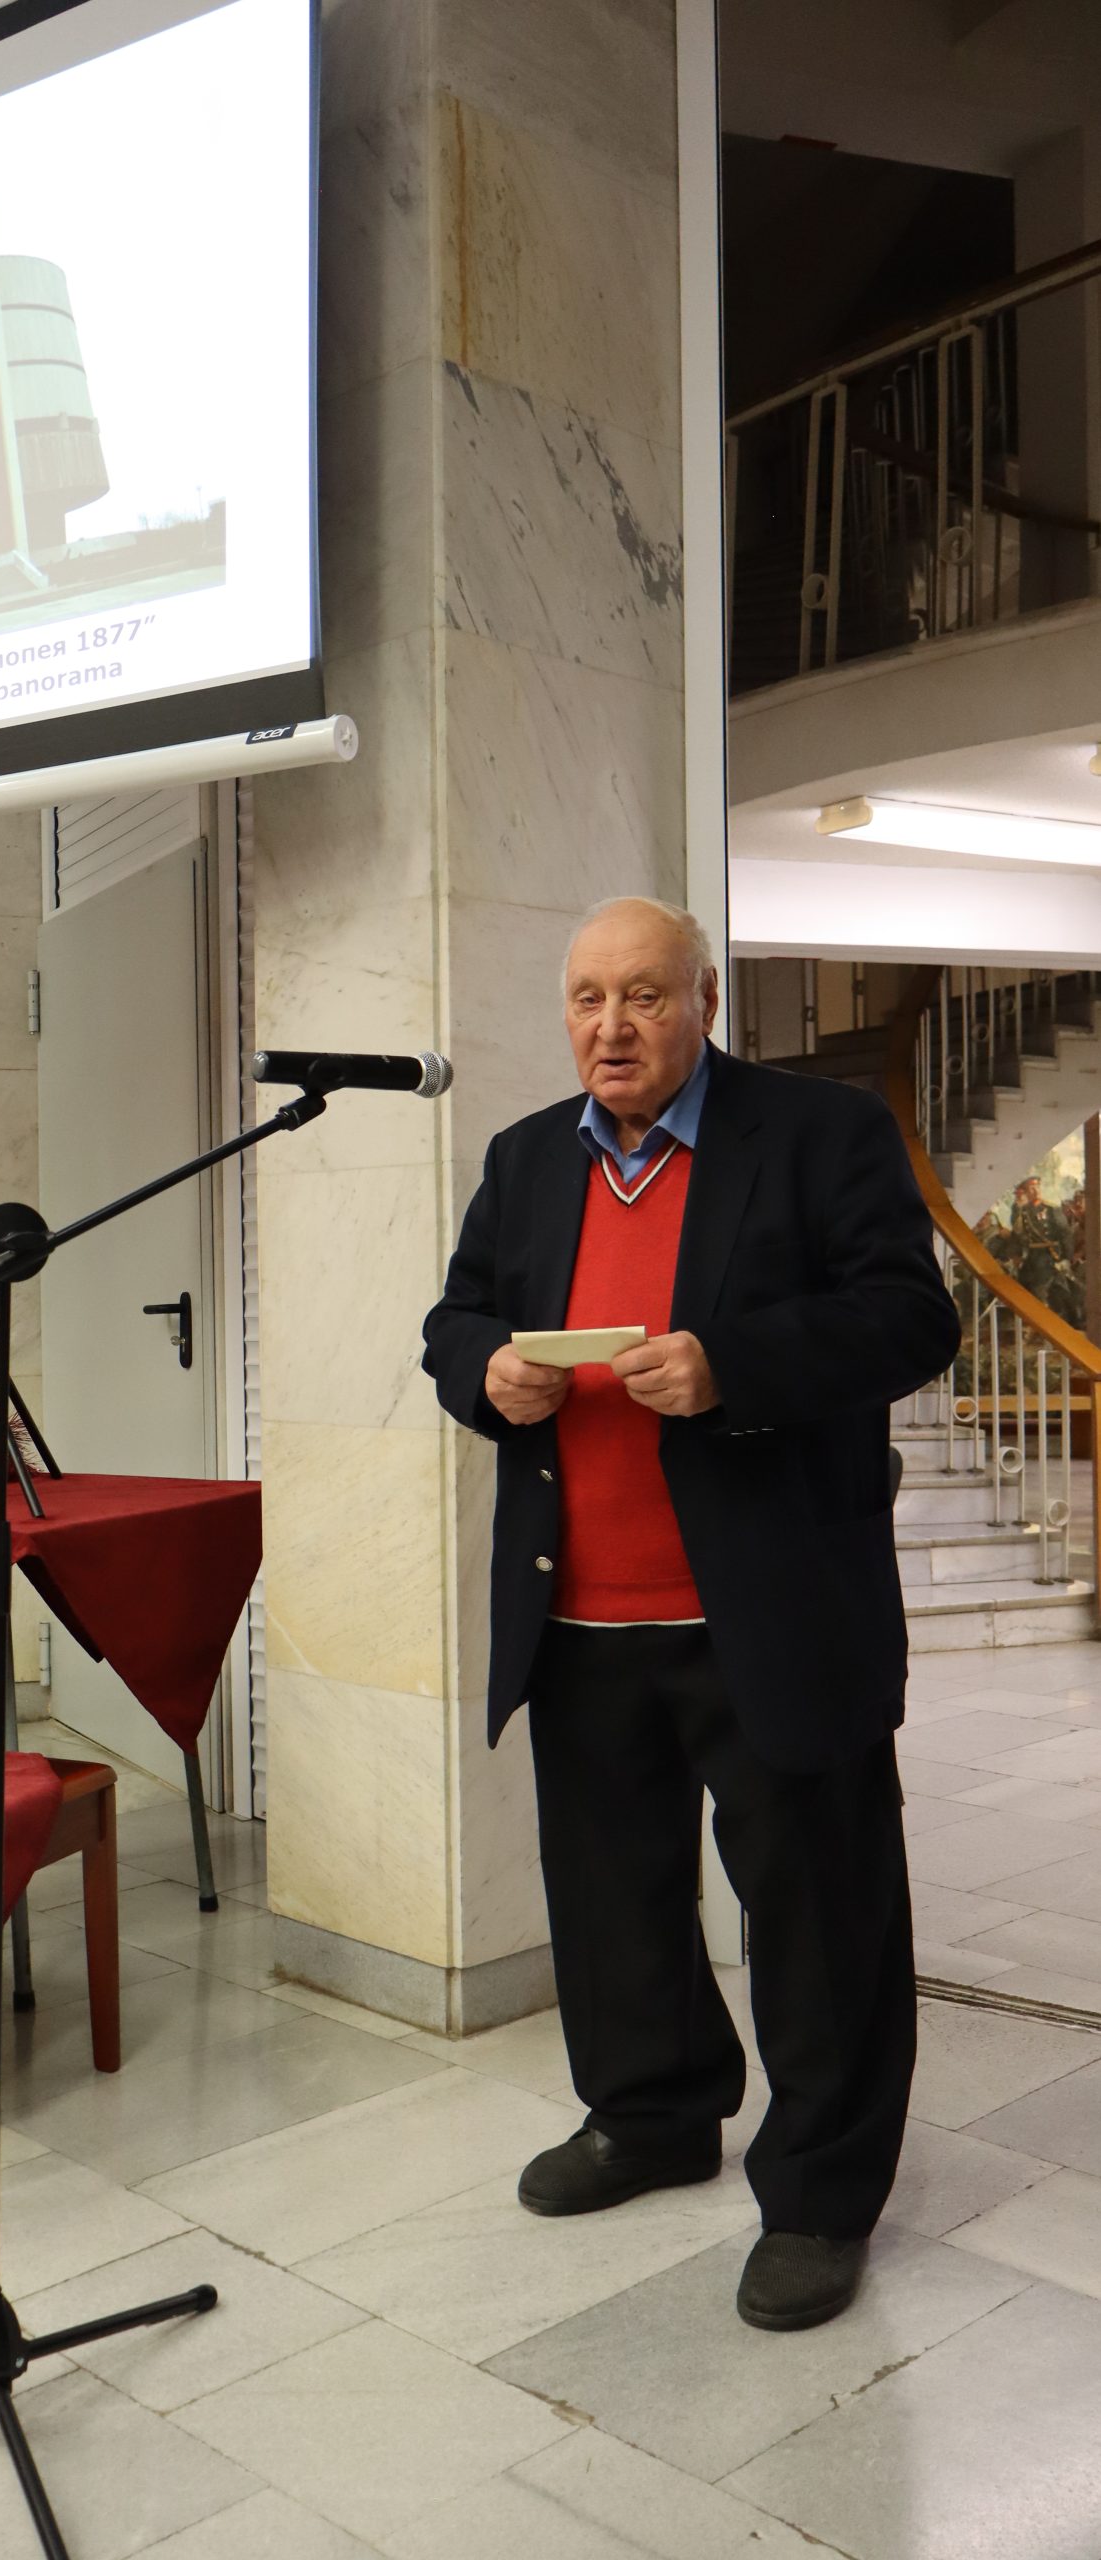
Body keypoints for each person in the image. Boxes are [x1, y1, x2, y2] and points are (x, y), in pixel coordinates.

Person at [422, 897, 961, 2332]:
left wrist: (732, 1366)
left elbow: (914, 1318)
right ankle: (651, 2117)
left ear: (705, 1004)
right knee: (613, 1899)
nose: (612, 1027)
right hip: (580, 1615)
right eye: (588, 999)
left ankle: (822, 2196)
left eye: (645, 996)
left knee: (819, 1915)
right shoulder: (527, 1158)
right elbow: (454, 1320)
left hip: (769, 1613)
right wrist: (486, 1372)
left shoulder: (820, 1133)